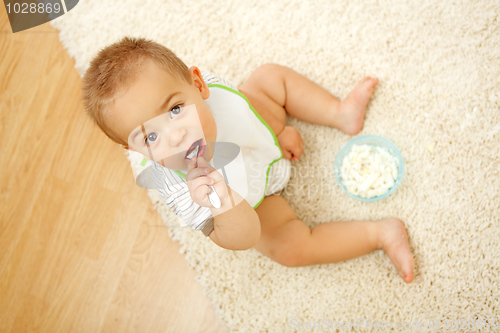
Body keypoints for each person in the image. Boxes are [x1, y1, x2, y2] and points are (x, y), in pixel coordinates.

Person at [82, 37, 414, 283]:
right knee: (289, 249)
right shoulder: (183, 191)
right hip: (254, 201)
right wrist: (222, 200)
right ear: (136, 152)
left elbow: (248, 110)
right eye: (150, 137)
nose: (175, 136)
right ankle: (379, 233)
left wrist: (276, 130)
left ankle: (338, 112)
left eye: (175, 109)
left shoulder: (213, 91)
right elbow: (242, 238)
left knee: (269, 78)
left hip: (253, 138)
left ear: (198, 85)